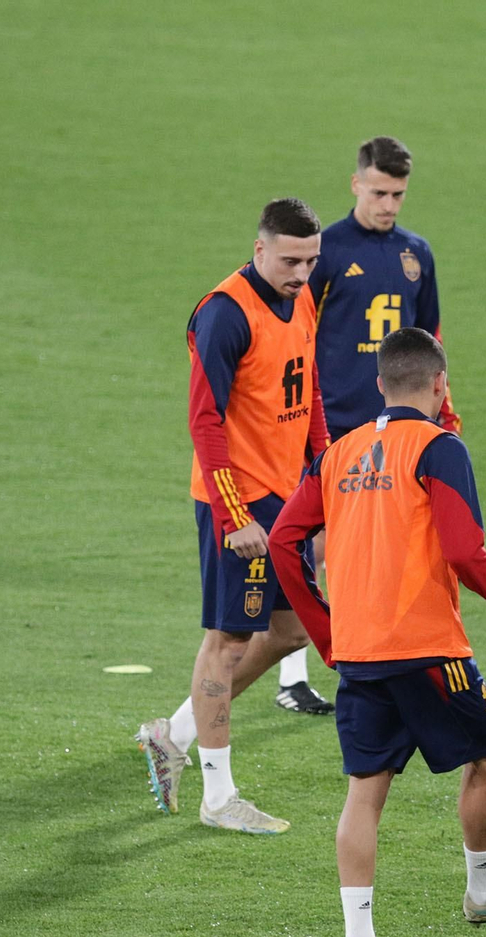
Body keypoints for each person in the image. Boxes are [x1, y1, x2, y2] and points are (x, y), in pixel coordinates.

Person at [268, 327, 486, 937]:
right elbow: (463, 550)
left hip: (361, 654)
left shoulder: (339, 451)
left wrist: (325, 634)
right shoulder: (440, 448)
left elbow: (284, 542)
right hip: (430, 650)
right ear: (440, 384)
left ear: (378, 385)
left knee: (365, 793)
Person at [134, 198, 328, 833]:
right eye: (290, 260)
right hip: (239, 501)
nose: (301, 273)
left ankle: (173, 733)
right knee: (228, 641)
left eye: (311, 260)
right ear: (259, 249)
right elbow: (204, 418)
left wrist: (325, 472)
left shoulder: (301, 297)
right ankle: (218, 797)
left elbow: (308, 386)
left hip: (287, 494)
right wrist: (234, 513)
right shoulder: (224, 314)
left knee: (294, 629)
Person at [270, 136, 460, 715]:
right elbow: (297, 334)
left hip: (395, 428)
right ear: (356, 184)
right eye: (379, 192)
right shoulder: (324, 252)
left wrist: (443, 412)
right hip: (332, 426)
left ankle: (361, 654)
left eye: (398, 194)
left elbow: (429, 343)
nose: (389, 205)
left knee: (372, 544)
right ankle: (295, 670)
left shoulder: (416, 254)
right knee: (317, 543)